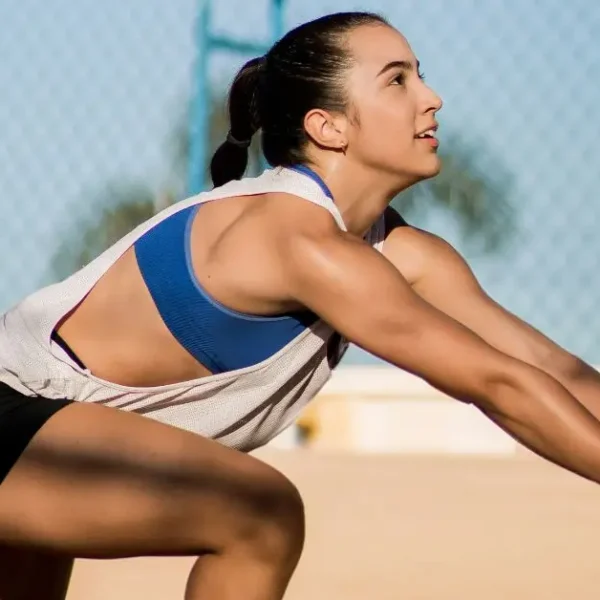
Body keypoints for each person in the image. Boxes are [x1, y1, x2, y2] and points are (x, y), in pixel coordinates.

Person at [2, 10, 600, 600]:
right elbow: (497, 383)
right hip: (18, 410)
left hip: (55, 431)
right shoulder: (298, 240)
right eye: (398, 80)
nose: (432, 97)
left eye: (420, 74)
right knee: (260, 514)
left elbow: (548, 368)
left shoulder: (400, 254)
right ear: (328, 127)